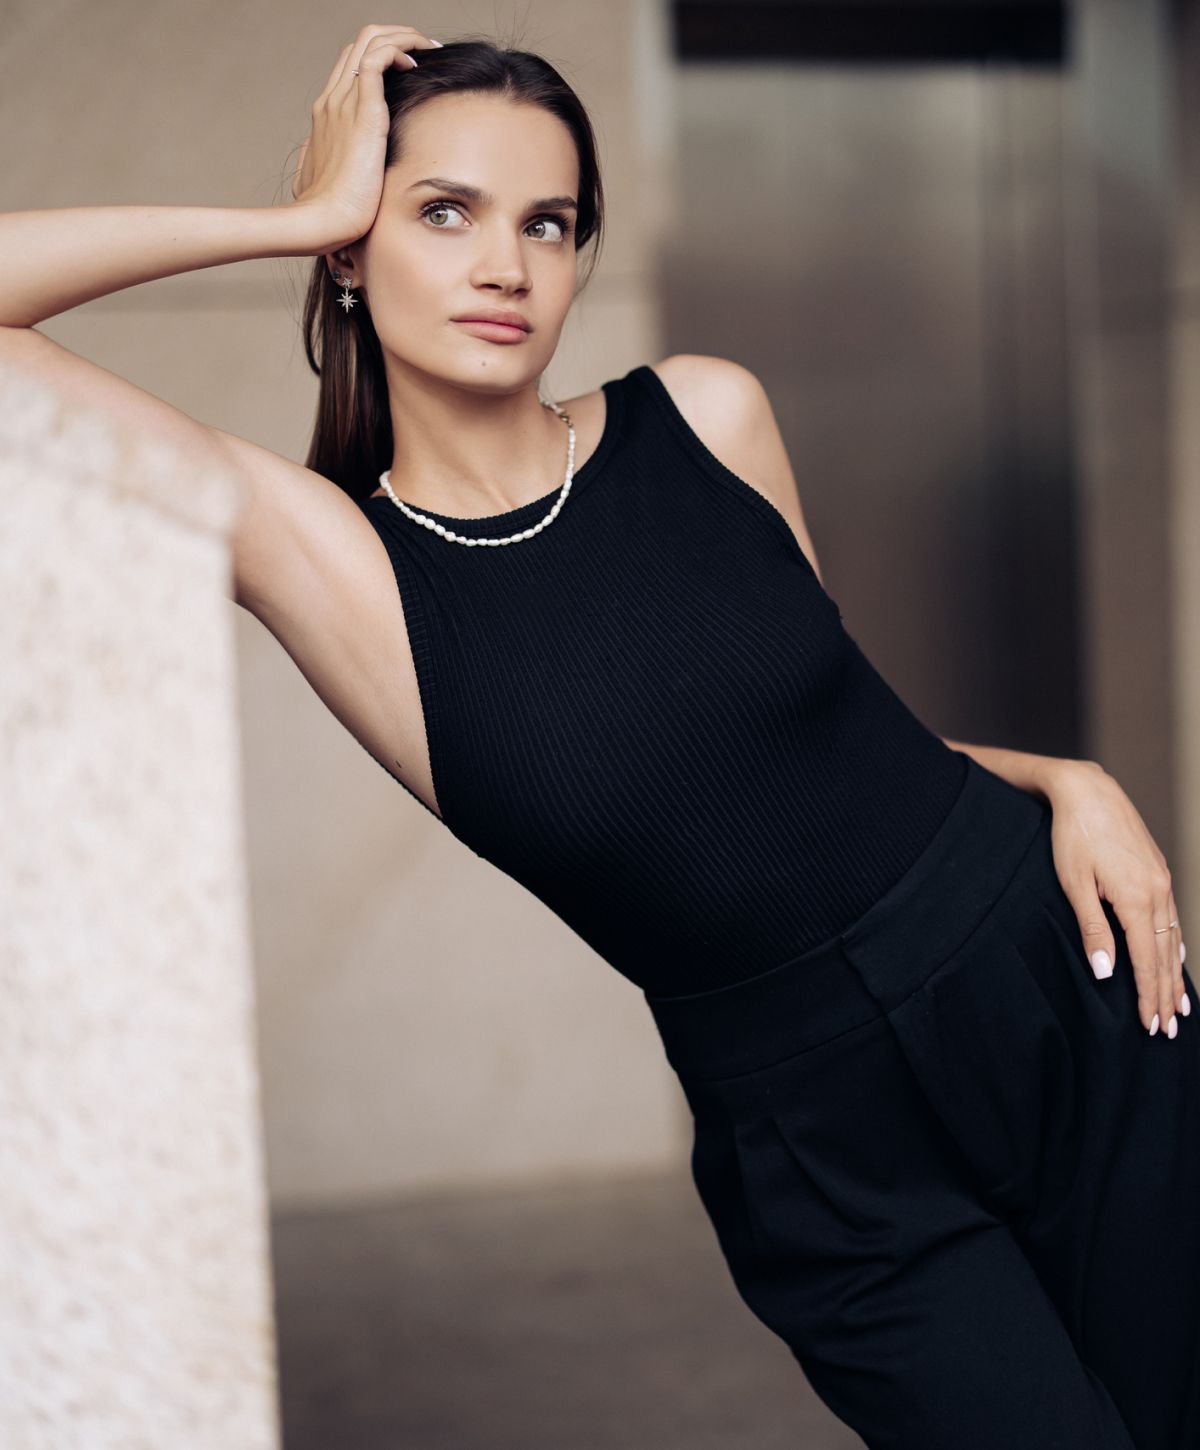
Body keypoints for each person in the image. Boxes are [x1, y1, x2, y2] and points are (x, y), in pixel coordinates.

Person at [2, 24, 1196, 1448]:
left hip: (1067, 981)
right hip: (821, 1149)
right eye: (441, 210)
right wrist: (295, 209)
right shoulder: (344, 568)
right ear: (352, 248)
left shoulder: (709, 412)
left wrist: (1070, 779)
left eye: (547, 223)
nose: (504, 263)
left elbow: (841, 748)